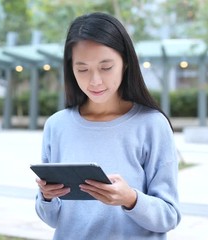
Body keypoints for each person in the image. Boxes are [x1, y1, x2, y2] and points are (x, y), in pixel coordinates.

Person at [34, 12, 181, 240]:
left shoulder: (151, 124)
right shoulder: (57, 125)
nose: (95, 81)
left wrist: (130, 199)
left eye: (106, 67)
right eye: (82, 69)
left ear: (125, 64)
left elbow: (169, 216)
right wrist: (46, 198)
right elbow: (52, 219)